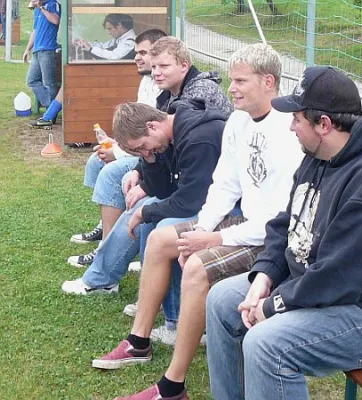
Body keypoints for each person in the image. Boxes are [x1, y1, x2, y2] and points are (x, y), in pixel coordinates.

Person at [205, 65, 362, 400]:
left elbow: (338, 277)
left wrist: (273, 305)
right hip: (326, 283)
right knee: (221, 299)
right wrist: (265, 274)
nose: (290, 126)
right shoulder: (320, 154)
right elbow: (285, 221)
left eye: (297, 119)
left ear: (324, 124)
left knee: (269, 344)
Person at [91, 43, 304, 400]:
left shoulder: (290, 131)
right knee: (161, 239)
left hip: (268, 237)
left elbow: (279, 218)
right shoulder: (238, 121)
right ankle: (138, 341)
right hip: (241, 220)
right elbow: (223, 185)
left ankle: (172, 385)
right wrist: (203, 229)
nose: (230, 88)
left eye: (240, 80)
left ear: (269, 82)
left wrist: (214, 241)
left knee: (197, 266)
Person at [68, 36, 233, 268]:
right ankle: (109, 243)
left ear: (184, 65)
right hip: (177, 164)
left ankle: (111, 262)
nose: (156, 72)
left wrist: (144, 183)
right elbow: (154, 137)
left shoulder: (200, 94)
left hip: (205, 177)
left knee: (122, 182)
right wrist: (141, 167)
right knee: (109, 170)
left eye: (163, 66)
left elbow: (169, 145)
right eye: (153, 66)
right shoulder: (166, 93)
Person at [65, 28, 167, 264]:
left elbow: (154, 138)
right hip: (143, 150)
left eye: (143, 52)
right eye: (136, 53)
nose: (137, 57)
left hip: (154, 155)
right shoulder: (146, 81)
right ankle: (105, 226)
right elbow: (138, 127)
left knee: (111, 172)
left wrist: (118, 152)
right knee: (97, 160)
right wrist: (115, 143)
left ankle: (106, 251)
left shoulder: (164, 85)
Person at [23, 0, 60, 109]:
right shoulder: (37, 10)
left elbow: (56, 20)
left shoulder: (53, 4)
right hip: (37, 50)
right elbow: (35, 31)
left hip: (48, 49)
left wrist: (41, 8)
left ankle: (50, 114)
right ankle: (51, 108)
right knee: (31, 80)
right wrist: (27, 49)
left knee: (49, 83)